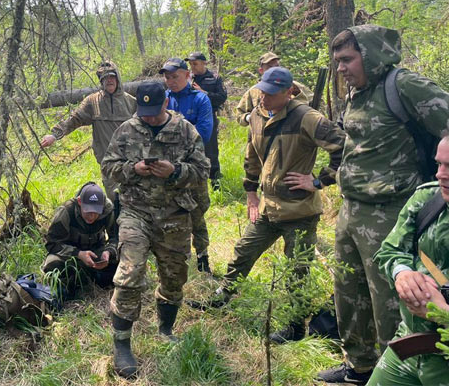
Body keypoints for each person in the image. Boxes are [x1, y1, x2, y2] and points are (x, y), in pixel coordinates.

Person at [317, 25, 449, 384]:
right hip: (352, 207)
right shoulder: (359, 93)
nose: (340, 69)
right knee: (349, 291)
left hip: (391, 210)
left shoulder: (404, 85)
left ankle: (398, 371)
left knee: (391, 300)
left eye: (347, 60)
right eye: (337, 62)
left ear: (370, 54)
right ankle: (359, 367)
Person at [207, 68, 345, 344]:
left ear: (288, 92)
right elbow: (252, 156)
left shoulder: (307, 117)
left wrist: (318, 181)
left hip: (300, 211)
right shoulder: (257, 116)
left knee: (297, 271)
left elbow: (344, 147)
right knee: (244, 250)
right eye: (262, 90)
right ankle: (223, 296)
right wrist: (250, 192)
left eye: (272, 93)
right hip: (269, 208)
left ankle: (295, 328)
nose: (264, 96)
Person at [101, 81, 211, 378]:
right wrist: (131, 170)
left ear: (166, 104)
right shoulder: (126, 130)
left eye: (153, 111)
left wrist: (175, 171)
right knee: (130, 272)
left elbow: (203, 170)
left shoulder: (186, 131)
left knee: (174, 276)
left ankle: (165, 329)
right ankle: (122, 344)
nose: (147, 118)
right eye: (143, 111)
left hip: (174, 215)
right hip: (136, 213)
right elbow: (107, 166)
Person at [365, 135, 449, 385]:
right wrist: (402, 273)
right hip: (410, 345)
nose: (440, 175)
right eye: (439, 165)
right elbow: (390, 249)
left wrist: (442, 313)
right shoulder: (428, 200)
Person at [40, 61, 136, 196]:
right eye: (105, 78)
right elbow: (74, 119)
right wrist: (54, 135)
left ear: (118, 78)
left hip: (131, 162)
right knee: (115, 200)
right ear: (101, 81)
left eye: (112, 77)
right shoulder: (93, 102)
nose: (109, 81)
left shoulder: (131, 102)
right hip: (109, 164)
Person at [160, 57, 214, 274]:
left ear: (187, 75)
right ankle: (176, 259)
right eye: (167, 77)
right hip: (168, 170)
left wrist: (174, 138)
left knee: (197, 213)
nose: (171, 81)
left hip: (193, 168)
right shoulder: (163, 99)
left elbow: (204, 134)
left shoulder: (200, 99)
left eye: (175, 76)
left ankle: (203, 257)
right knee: (171, 213)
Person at [41, 182, 118, 300]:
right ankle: (73, 285)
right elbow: (52, 244)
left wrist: (108, 252)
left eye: (96, 212)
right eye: (88, 211)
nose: (92, 216)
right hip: (70, 256)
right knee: (52, 264)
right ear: (79, 202)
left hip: (96, 252)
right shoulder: (66, 211)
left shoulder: (108, 210)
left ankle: (93, 277)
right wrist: (78, 254)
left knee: (124, 257)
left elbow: (116, 238)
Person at [235, 52, 311, 126]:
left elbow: (316, 101)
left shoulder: (293, 86)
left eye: (277, 66)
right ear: (261, 71)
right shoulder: (253, 91)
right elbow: (239, 115)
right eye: (270, 67)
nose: (274, 70)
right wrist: (250, 118)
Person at [186, 51, 227, 187]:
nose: (193, 67)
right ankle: (195, 181)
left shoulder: (214, 78)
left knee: (211, 150)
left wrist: (204, 93)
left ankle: (215, 182)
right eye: (191, 64)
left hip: (209, 118)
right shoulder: (188, 78)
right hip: (191, 118)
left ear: (204, 63)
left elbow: (222, 97)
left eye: (195, 64)